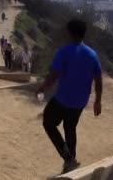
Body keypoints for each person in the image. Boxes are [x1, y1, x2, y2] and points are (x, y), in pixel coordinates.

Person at [36, 19, 102, 174]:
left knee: (48, 122)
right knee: (70, 127)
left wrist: (41, 88)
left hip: (63, 99)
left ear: (69, 33)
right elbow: (98, 80)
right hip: (80, 102)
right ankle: (71, 163)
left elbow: (52, 77)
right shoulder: (92, 55)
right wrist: (98, 101)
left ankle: (68, 158)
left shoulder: (64, 52)